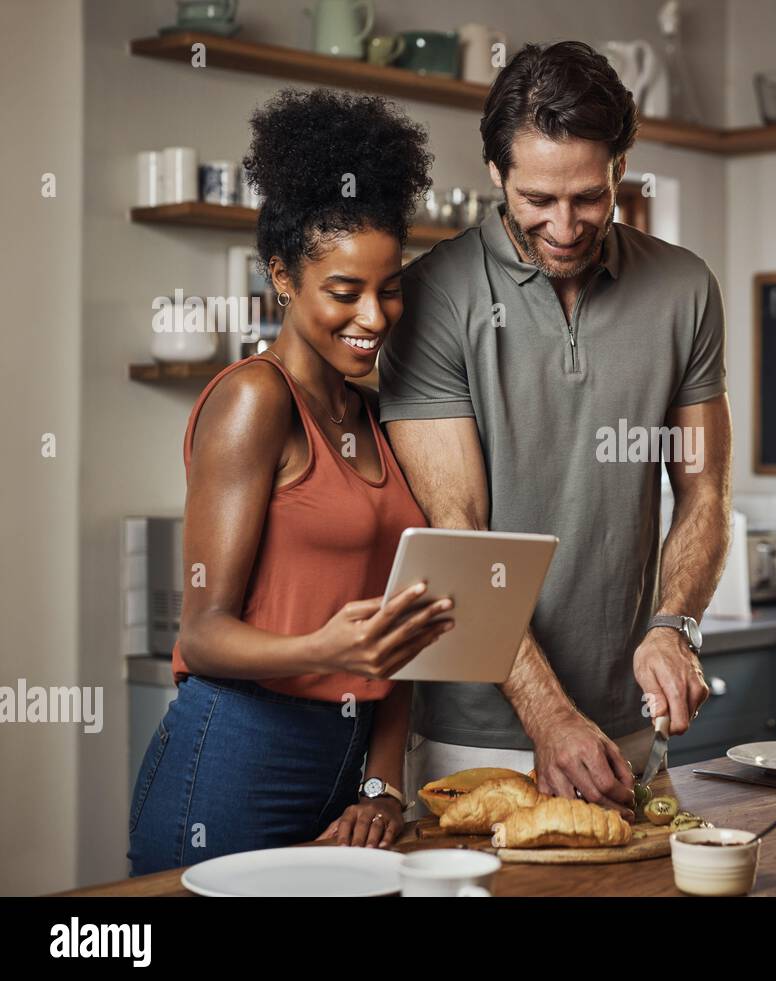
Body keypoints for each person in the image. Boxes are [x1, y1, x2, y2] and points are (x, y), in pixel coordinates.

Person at [380, 41, 733, 821]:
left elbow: (704, 486)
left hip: (626, 724)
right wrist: (547, 715)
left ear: (620, 168)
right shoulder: (431, 297)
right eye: (538, 198)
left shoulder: (683, 289)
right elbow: (458, 529)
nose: (566, 226)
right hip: (477, 735)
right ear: (496, 174)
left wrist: (674, 625)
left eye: (589, 197)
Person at [127, 89, 452, 875]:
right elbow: (202, 633)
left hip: (347, 776)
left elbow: (396, 643)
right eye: (344, 292)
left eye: (390, 287)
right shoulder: (253, 400)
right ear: (282, 276)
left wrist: (383, 785)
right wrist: (326, 646)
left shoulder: (379, 415)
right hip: (234, 760)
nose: (373, 316)